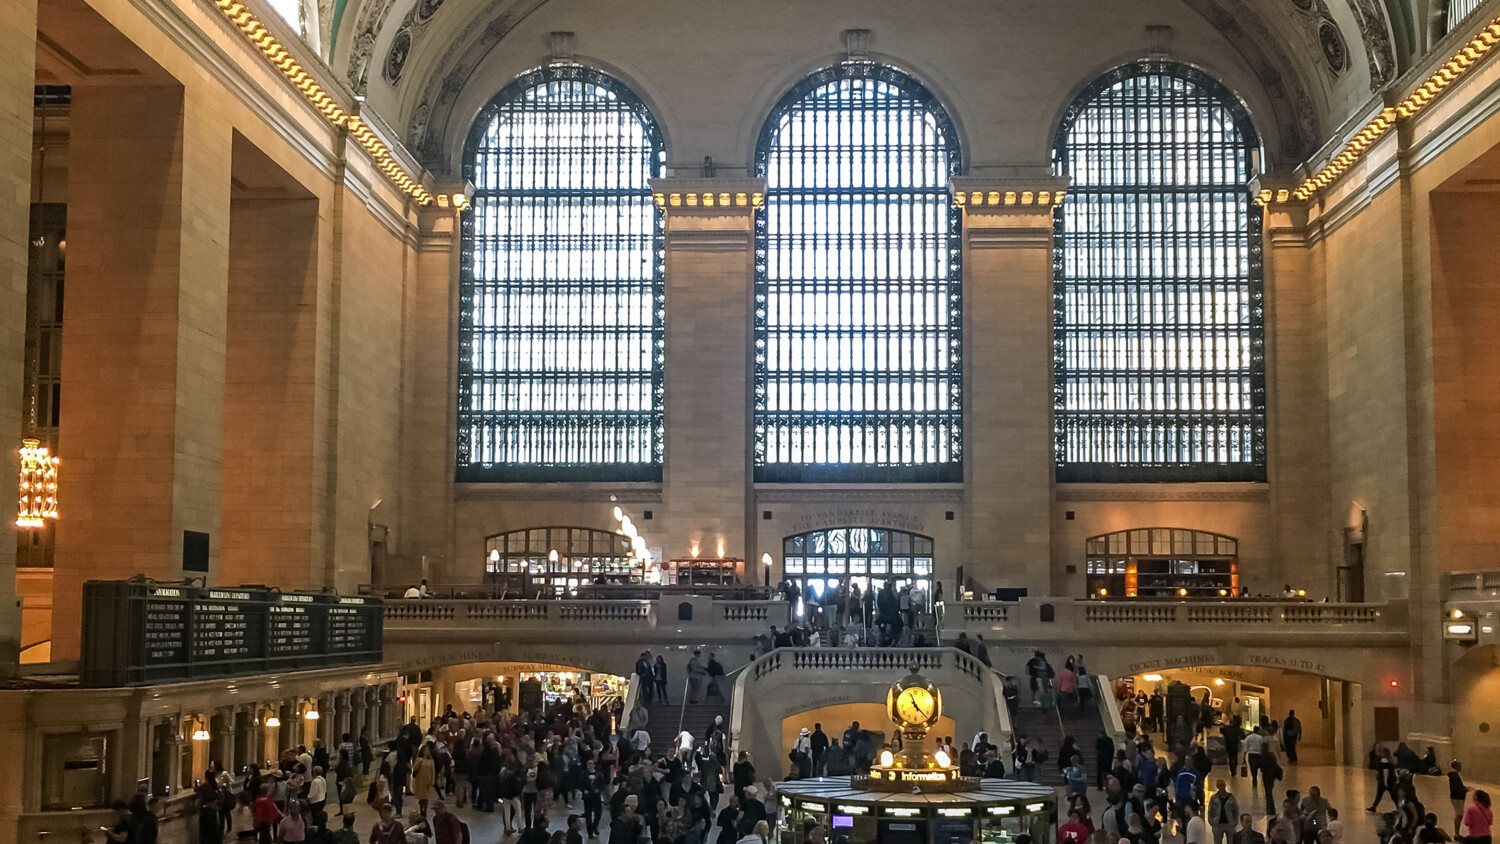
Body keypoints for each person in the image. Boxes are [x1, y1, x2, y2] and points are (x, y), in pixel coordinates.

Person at [1370, 746, 1398, 812]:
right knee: (1393, 795)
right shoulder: (1391, 760)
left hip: (1385, 781)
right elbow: (1394, 771)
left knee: (1379, 794)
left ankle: (1374, 806)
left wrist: (1385, 782)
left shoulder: (1383, 761)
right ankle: (1399, 807)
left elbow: (1385, 772)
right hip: (1391, 780)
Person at [1452, 761, 1470, 835]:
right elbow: (1456, 788)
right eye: (1460, 766)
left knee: (1458, 815)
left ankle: (1457, 833)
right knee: (1459, 815)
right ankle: (1456, 834)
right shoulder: (1454, 776)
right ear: (1456, 767)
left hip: (1457, 797)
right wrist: (1464, 790)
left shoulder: (1455, 775)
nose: (1461, 768)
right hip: (1457, 798)